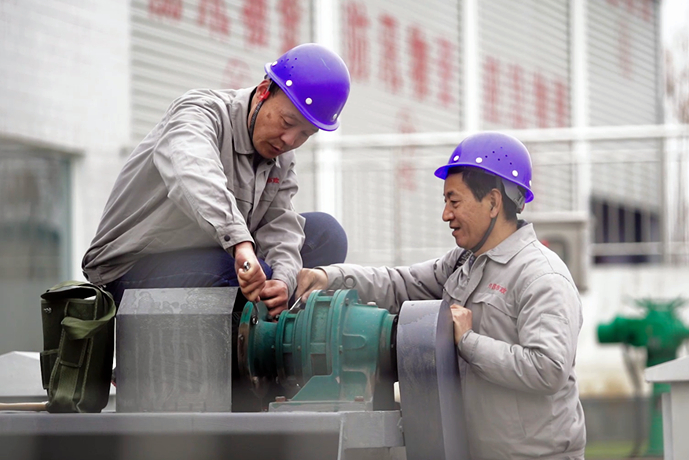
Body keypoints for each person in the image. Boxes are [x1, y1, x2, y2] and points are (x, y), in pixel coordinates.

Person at [296, 132, 586, 459]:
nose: (446, 214)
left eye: (454, 201)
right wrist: (328, 277)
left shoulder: (541, 276)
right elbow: (399, 283)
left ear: (493, 202)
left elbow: (547, 369)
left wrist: (468, 341)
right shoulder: (463, 263)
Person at [82, 43, 351, 318]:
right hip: (129, 269)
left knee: (326, 235)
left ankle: (277, 325)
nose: (290, 140)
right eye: (287, 122)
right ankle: (244, 337)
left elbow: (279, 224)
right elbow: (195, 175)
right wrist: (240, 244)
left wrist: (284, 281)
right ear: (263, 91)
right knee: (246, 272)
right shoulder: (199, 112)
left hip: (215, 255)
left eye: (305, 134)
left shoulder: (281, 156)